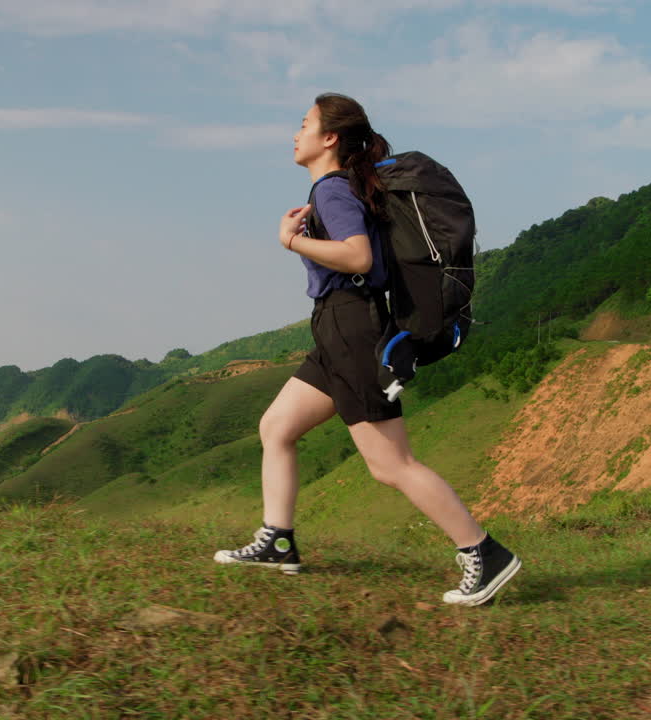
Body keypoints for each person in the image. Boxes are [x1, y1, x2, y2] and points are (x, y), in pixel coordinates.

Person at [213, 93, 520, 606]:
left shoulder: (332, 190)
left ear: (329, 137)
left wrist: (291, 241)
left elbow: (357, 257)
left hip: (351, 328)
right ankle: (277, 540)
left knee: (391, 464)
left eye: (305, 124)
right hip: (336, 327)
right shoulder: (338, 188)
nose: (296, 133)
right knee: (277, 426)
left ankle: (484, 553)